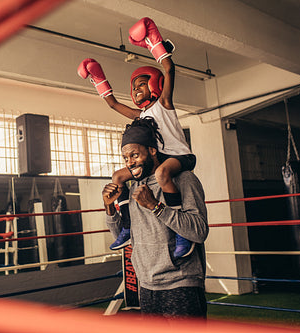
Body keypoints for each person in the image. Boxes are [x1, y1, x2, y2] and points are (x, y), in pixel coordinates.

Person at [78, 17, 196, 257]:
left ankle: (181, 233)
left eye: (141, 85)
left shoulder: (163, 103)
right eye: (133, 87)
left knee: (162, 173)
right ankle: (127, 226)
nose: (136, 90)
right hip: (160, 157)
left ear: (154, 85)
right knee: (118, 176)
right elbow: (112, 104)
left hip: (181, 157)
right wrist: (97, 77)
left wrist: (155, 43)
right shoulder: (140, 116)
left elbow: (170, 69)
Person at [102, 117, 209, 318]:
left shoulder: (184, 179)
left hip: (180, 283)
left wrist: (155, 206)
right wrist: (110, 208)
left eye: (134, 155)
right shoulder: (133, 187)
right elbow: (124, 237)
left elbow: (199, 231)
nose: (130, 163)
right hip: (147, 285)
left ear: (152, 150)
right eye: (126, 158)